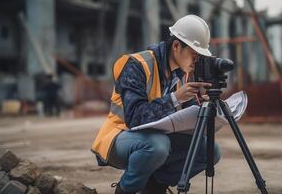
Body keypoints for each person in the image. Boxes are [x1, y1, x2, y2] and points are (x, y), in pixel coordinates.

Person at [91, 15, 221, 194]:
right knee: (157, 145)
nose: (196, 62)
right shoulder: (137, 65)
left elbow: (187, 120)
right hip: (120, 137)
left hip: (156, 139)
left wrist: (204, 109)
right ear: (176, 46)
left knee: (210, 150)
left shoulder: (181, 76)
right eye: (194, 55)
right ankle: (125, 190)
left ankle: (154, 187)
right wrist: (175, 98)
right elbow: (135, 118)